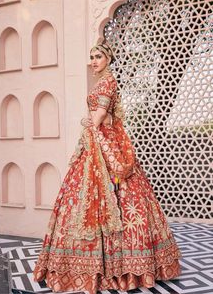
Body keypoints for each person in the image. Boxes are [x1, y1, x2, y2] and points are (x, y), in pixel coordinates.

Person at [33, 42, 181, 293]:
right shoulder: (103, 82)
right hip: (97, 143)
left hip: (105, 146)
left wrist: (95, 119)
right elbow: (104, 117)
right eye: (91, 56)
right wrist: (100, 120)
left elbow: (97, 117)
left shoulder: (107, 82)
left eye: (98, 56)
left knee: (117, 198)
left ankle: (121, 268)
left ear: (108, 59)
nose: (93, 60)